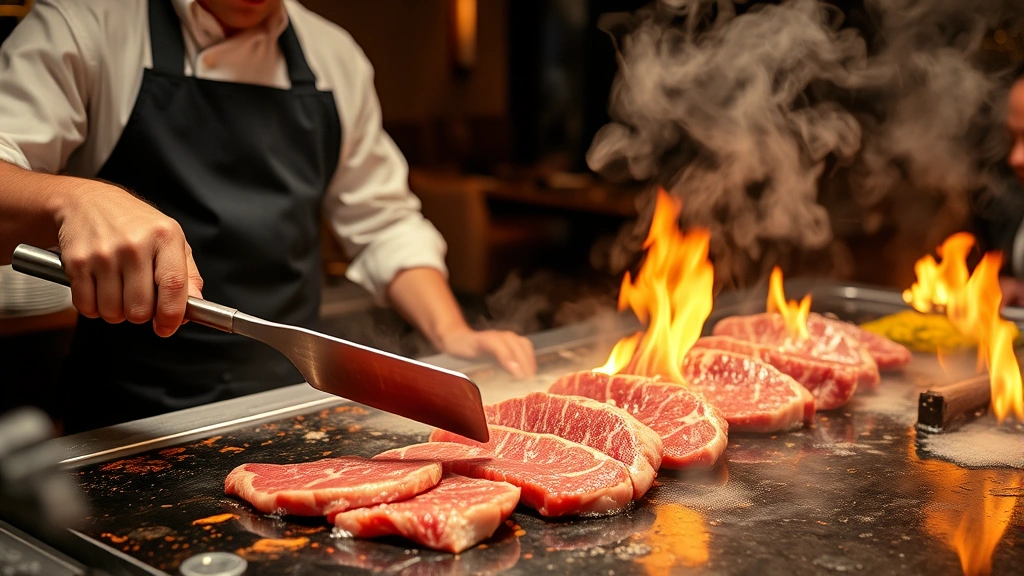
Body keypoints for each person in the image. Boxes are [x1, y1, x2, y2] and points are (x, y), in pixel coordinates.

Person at [0, 0, 536, 433]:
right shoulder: (86, 23)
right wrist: (73, 199)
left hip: (293, 406)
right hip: (130, 417)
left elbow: (384, 223)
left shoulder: (334, 56)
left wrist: (451, 330)